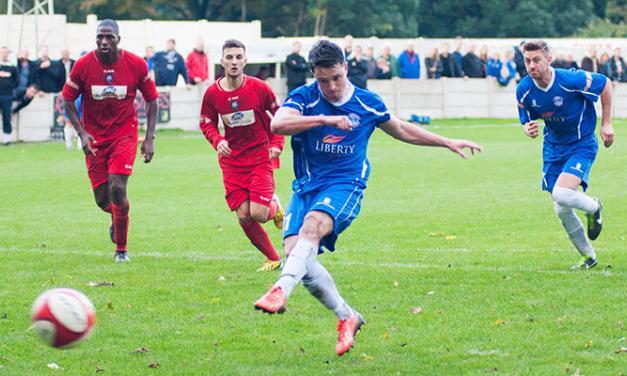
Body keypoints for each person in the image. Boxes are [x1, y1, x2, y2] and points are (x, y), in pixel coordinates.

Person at [254, 40, 482, 356]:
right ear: (314, 76)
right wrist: (325, 120)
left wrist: (446, 141)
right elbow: (278, 123)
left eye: (336, 77)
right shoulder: (304, 99)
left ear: (346, 67)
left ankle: (280, 289)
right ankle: (347, 317)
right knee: (300, 258)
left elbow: (402, 129)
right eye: (323, 80)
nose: (331, 87)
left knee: (312, 226)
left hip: (345, 186)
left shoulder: (367, 103)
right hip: (305, 188)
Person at [62, 19, 159, 262]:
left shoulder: (136, 64)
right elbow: (66, 100)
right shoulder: (83, 65)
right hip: (94, 138)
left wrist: (149, 138)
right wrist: (82, 133)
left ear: (118, 39)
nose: (104, 41)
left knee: (118, 188)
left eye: (109, 37)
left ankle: (121, 250)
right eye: (100, 37)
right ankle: (118, 215)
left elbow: (153, 101)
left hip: (124, 135)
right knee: (102, 199)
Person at [516, 40, 614, 270]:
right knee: (561, 207)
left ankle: (593, 207)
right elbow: (524, 111)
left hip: (581, 144)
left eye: (536, 60)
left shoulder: (570, 80)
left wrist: (607, 123)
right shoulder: (524, 88)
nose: (531, 66)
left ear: (548, 59)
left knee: (561, 193)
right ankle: (588, 256)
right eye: (527, 61)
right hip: (553, 148)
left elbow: (605, 84)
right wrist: (527, 127)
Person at [199, 39, 286, 272]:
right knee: (243, 215)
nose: (234, 62)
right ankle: (273, 258)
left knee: (258, 213)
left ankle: (275, 206)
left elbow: (281, 117)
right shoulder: (212, 93)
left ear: (245, 61)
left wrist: (277, 144)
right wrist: (218, 141)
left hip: (260, 157)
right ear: (222, 61)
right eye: (229, 57)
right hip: (232, 162)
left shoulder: (260, 88)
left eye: (238, 57)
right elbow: (206, 123)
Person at [0, 47, 18, 145]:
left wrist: (9, 87)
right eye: (2, 52)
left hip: (7, 96)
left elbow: (17, 81)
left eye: (6, 53)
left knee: (6, 117)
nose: (4, 54)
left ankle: (6, 139)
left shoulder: (12, 67)